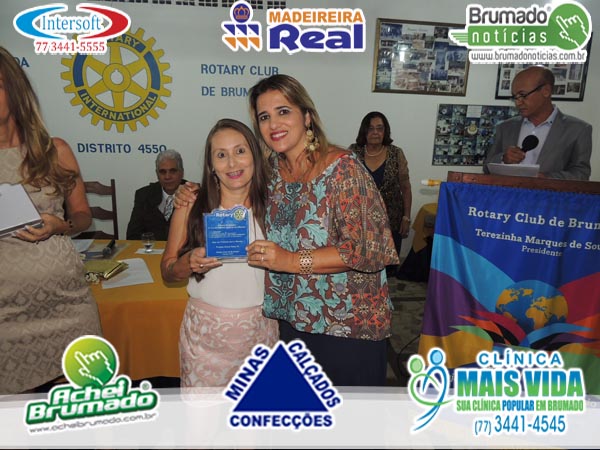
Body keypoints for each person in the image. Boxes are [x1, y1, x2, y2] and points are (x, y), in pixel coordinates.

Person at [246, 74, 398, 386]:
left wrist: (291, 261)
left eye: (283, 111)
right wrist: (188, 196)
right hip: (293, 320)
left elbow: (368, 249)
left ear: (307, 117)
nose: (273, 124)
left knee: (351, 414)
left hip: (348, 326)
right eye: (264, 117)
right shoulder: (272, 172)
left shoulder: (343, 168)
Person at [0, 46, 102, 394]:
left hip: (68, 302)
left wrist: (61, 226)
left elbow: (83, 216)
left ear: (16, 90)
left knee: (89, 400)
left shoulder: (55, 150)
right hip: (5, 314)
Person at [160, 119, 278, 388]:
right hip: (205, 338)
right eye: (221, 155)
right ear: (211, 165)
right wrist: (188, 263)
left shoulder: (275, 204)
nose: (232, 163)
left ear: (255, 156)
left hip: (259, 334)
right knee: (202, 415)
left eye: (240, 151)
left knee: (254, 415)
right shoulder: (191, 204)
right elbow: (167, 271)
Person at [483, 66, 592, 180]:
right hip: (507, 191)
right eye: (515, 97)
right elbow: (486, 168)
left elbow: (581, 174)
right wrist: (503, 159)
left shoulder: (578, 130)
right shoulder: (505, 127)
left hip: (549, 191)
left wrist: (547, 179)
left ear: (546, 91)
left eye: (523, 95)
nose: (518, 103)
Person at [348, 111, 412, 278]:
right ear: (364, 131)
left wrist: (406, 217)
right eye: (370, 128)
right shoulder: (353, 152)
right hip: (361, 220)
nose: (375, 132)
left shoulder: (396, 153)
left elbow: (405, 187)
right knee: (362, 265)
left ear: (385, 131)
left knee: (388, 268)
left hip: (391, 220)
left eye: (379, 128)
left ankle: (386, 293)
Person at [126, 149, 186, 240]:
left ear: (181, 173)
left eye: (172, 171)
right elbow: (132, 235)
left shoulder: (193, 194)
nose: (167, 176)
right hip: (152, 248)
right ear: (157, 174)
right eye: (162, 172)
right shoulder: (143, 195)